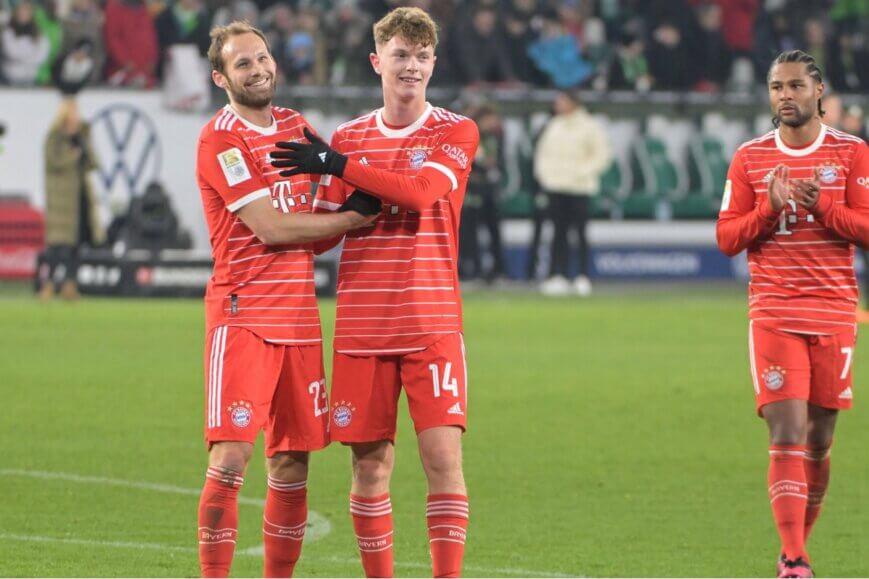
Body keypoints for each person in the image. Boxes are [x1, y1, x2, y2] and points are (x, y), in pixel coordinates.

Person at [270, 7, 479, 578]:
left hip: (430, 322)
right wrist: (309, 198)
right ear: (376, 61)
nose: (411, 67)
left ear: (433, 63)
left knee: (442, 460)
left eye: (421, 57)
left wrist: (339, 166)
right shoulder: (351, 135)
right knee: (369, 469)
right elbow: (319, 236)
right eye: (400, 56)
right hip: (362, 326)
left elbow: (418, 195)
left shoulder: (454, 130)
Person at [194, 21, 379, 578]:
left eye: (263, 57)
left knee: (292, 464)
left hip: (299, 320)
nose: (259, 69)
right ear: (220, 77)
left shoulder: (297, 128)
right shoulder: (221, 139)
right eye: (243, 63)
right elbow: (271, 228)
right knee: (230, 460)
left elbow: (323, 221)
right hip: (243, 315)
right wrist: (354, 216)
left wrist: (358, 198)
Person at [716, 50, 869, 579]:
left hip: (833, 312)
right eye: (777, 86)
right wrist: (769, 208)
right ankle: (796, 558)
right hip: (774, 311)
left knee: (820, 441)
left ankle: (793, 549)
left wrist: (824, 207)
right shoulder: (750, 158)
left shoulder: (852, 153)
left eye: (796, 86)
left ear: (818, 90)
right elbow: (726, 239)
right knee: (787, 434)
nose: (785, 95)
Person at [534, 90, 611, 297]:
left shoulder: (589, 126)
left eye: (562, 100)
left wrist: (581, 173)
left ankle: (582, 275)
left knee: (580, 233)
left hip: (579, 187)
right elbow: (543, 154)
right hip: (556, 186)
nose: (557, 104)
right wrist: (546, 177)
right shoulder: (554, 125)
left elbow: (601, 155)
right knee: (558, 233)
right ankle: (558, 275)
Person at [38, 97, 104, 301]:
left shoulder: (81, 137)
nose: (76, 118)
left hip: (79, 198)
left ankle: (70, 285)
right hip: (61, 200)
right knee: (58, 247)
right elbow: (53, 162)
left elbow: (93, 163)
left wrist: (85, 142)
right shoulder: (54, 137)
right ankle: (48, 285)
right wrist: (72, 155)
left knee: (76, 245)